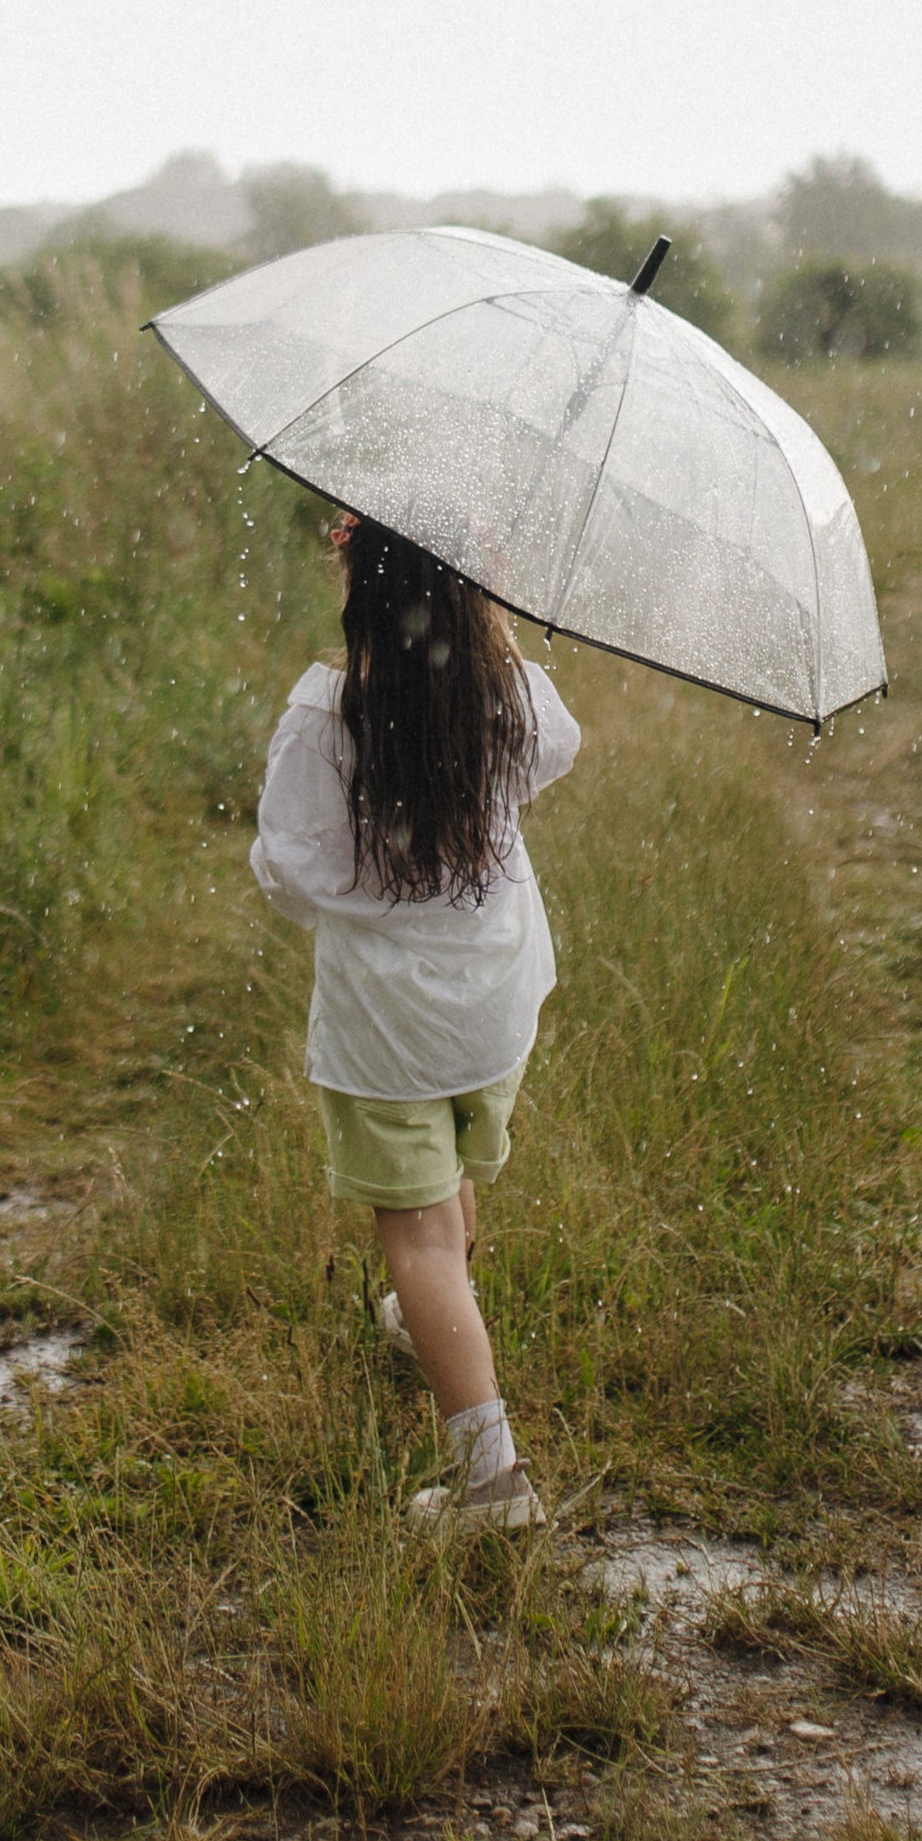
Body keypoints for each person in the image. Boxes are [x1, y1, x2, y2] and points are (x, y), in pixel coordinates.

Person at [251, 511, 581, 1529]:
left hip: (388, 1029)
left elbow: (288, 868)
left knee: (422, 1235)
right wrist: (497, 640)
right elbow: (556, 749)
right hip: (491, 1007)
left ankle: (492, 1481)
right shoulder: (506, 698)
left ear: (360, 588)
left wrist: (362, 886)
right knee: (448, 1189)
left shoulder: (325, 714)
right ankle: (428, 1320)